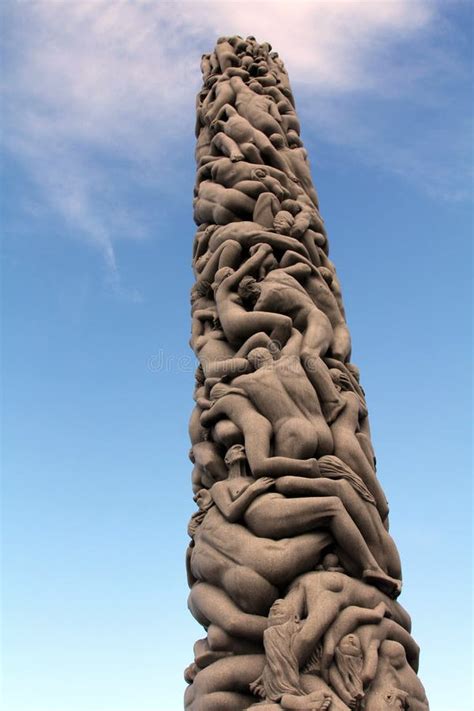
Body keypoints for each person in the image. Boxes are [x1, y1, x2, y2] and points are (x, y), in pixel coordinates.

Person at [210, 444, 400, 596]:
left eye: (243, 447)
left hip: (279, 508)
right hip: (261, 514)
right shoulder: (221, 486)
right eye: (235, 448)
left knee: (331, 517)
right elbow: (229, 512)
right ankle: (371, 568)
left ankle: (349, 566)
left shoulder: (255, 479)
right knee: (332, 507)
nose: (242, 449)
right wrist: (254, 490)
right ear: (226, 460)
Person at [200, 384, 320, 478]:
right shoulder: (240, 395)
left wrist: (205, 402)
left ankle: (307, 466)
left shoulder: (223, 401)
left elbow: (204, 419)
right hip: (261, 423)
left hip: (253, 426)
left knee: (258, 467)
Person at [329, 369, 389, 523]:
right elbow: (364, 412)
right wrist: (355, 387)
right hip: (348, 444)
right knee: (376, 497)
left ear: (336, 387)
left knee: (363, 490)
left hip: (341, 445)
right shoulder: (353, 397)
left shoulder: (338, 399)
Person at [213, 243, 294, 349]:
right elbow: (249, 266)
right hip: (236, 322)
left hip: (233, 330)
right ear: (226, 276)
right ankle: (272, 356)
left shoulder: (227, 294)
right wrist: (263, 250)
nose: (234, 271)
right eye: (230, 271)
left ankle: (263, 356)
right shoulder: (224, 286)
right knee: (284, 323)